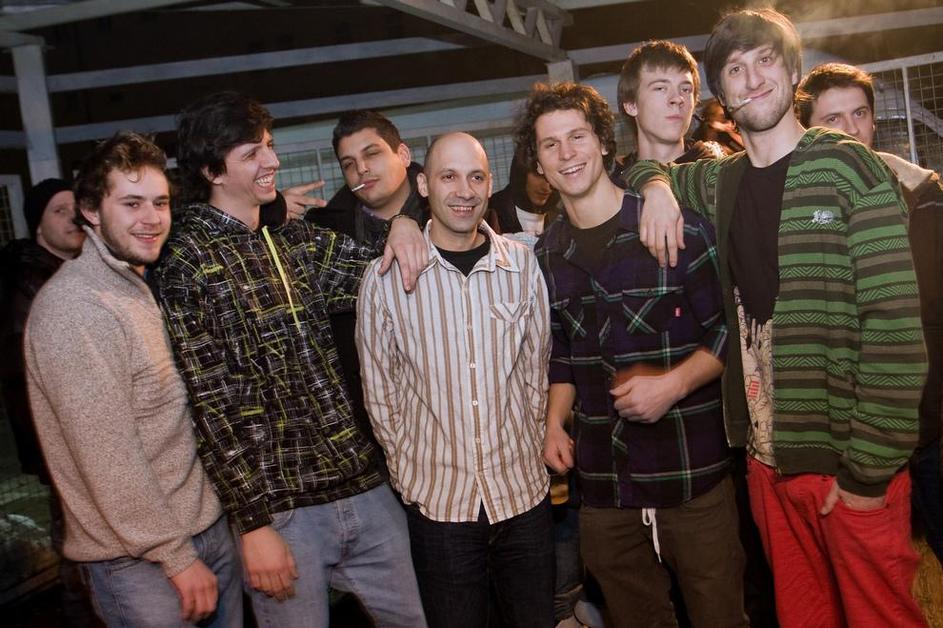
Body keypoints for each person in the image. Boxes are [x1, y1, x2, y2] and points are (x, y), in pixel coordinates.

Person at [626, 9, 928, 627]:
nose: (754, 78)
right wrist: (656, 188)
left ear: (792, 73)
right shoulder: (722, 182)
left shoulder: (849, 167)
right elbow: (637, 168)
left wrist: (867, 474)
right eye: (735, 69)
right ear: (722, 93)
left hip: (852, 466)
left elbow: (895, 328)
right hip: (767, 464)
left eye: (766, 60)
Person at [154, 91, 427, 627]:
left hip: (361, 485)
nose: (273, 161)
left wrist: (405, 223)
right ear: (212, 170)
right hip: (281, 513)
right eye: (252, 153)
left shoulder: (291, 238)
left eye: (269, 145)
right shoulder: (187, 261)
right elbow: (210, 404)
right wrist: (253, 524)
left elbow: (386, 275)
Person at [514, 81, 747, 628]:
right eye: (550, 145)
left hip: (690, 473)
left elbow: (730, 331)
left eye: (577, 136)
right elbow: (562, 351)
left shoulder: (676, 226)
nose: (567, 153)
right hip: (604, 487)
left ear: (602, 142)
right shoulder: (547, 255)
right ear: (539, 165)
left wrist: (673, 384)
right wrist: (553, 423)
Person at [24, 132, 241, 628]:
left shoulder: (137, 284)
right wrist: (175, 556)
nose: (151, 218)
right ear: (91, 211)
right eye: (131, 203)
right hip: (143, 562)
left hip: (201, 532)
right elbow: (107, 455)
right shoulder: (74, 308)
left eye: (159, 202)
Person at [356, 131, 554, 628]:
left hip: (522, 497)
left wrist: (529, 449)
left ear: (490, 184)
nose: (464, 191)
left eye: (476, 177)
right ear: (423, 185)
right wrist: (410, 477)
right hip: (440, 506)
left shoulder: (521, 265)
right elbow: (380, 391)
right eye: (449, 176)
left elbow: (537, 371)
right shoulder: (384, 279)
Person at [797, 61, 943, 567]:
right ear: (808, 131)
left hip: (927, 417)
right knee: (872, 569)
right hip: (851, 432)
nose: (851, 130)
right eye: (833, 120)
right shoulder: (799, 208)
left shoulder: (923, 195)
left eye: (859, 114)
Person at [304, 110, 430, 474]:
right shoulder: (325, 234)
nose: (361, 169)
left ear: (403, 155)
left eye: (372, 153)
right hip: (374, 429)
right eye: (349, 164)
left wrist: (408, 221)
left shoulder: (449, 208)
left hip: (456, 407)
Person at [0, 178, 95, 626]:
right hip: (62, 442)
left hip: (89, 435)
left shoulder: (86, 269)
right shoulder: (26, 284)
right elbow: (24, 376)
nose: (72, 217)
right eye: (59, 210)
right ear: (38, 225)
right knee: (79, 548)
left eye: (76, 207)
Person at [614, 40, 725, 179]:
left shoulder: (721, 175)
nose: (677, 98)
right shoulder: (615, 185)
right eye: (660, 88)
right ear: (631, 105)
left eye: (685, 89)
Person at [486, 150, 561, 236]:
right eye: (539, 176)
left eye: (552, 176)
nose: (547, 187)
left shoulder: (561, 219)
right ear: (521, 173)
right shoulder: (489, 213)